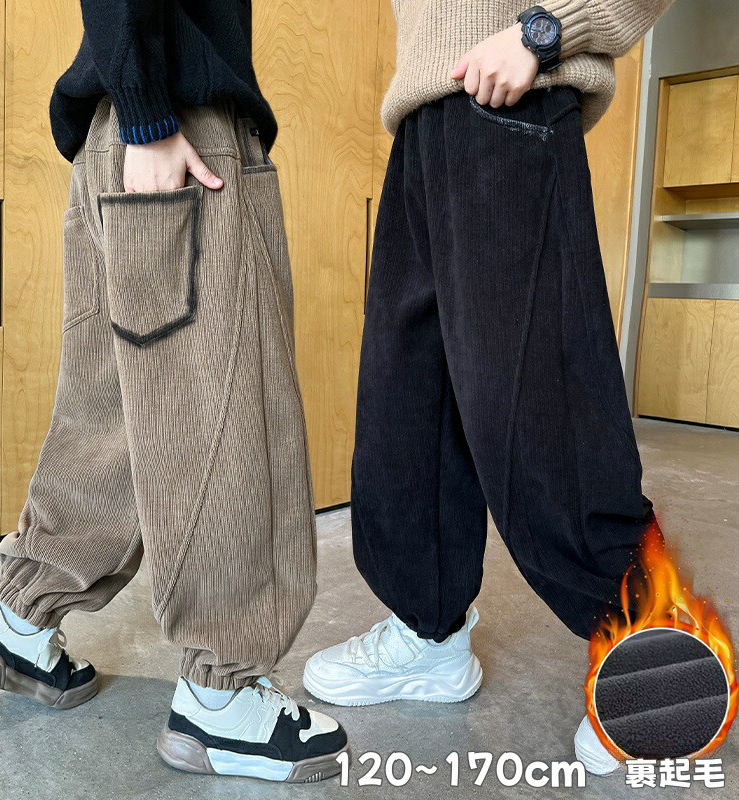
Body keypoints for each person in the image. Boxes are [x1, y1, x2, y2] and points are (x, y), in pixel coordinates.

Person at [0, 0, 347, 784]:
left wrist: (134, 115)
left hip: (117, 136)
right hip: (175, 131)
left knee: (117, 409)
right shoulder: (158, 119)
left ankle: (22, 620)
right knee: (229, 416)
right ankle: (224, 700)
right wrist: (150, 117)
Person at [303, 0, 674, 775]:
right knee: (409, 404)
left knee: (542, 407)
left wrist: (550, 30)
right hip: (423, 120)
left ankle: (655, 656)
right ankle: (429, 633)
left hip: (515, 97)